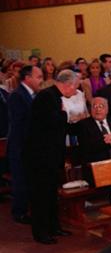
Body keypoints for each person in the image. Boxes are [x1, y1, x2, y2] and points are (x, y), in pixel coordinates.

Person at [23, 69, 79, 244]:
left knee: (51, 194)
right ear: (67, 84)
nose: (76, 91)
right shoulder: (46, 97)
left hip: (51, 156)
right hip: (41, 157)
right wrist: (64, 115)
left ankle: (54, 226)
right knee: (41, 195)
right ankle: (41, 232)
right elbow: (48, 122)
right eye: (75, 87)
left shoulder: (54, 97)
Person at [7, 65, 43, 224]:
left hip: (30, 145)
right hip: (20, 146)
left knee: (29, 178)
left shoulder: (33, 95)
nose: (40, 80)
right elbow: (20, 123)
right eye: (38, 77)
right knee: (21, 179)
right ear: (27, 78)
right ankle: (19, 211)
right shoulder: (18, 96)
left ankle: (29, 208)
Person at [70, 97, 111, 167]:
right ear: (90, 109)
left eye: (101, 106)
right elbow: (86, 147)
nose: (98, 109)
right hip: (99, 163)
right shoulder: (83, 125)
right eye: (94, 106)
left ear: (107, 109)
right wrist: (107, 141)